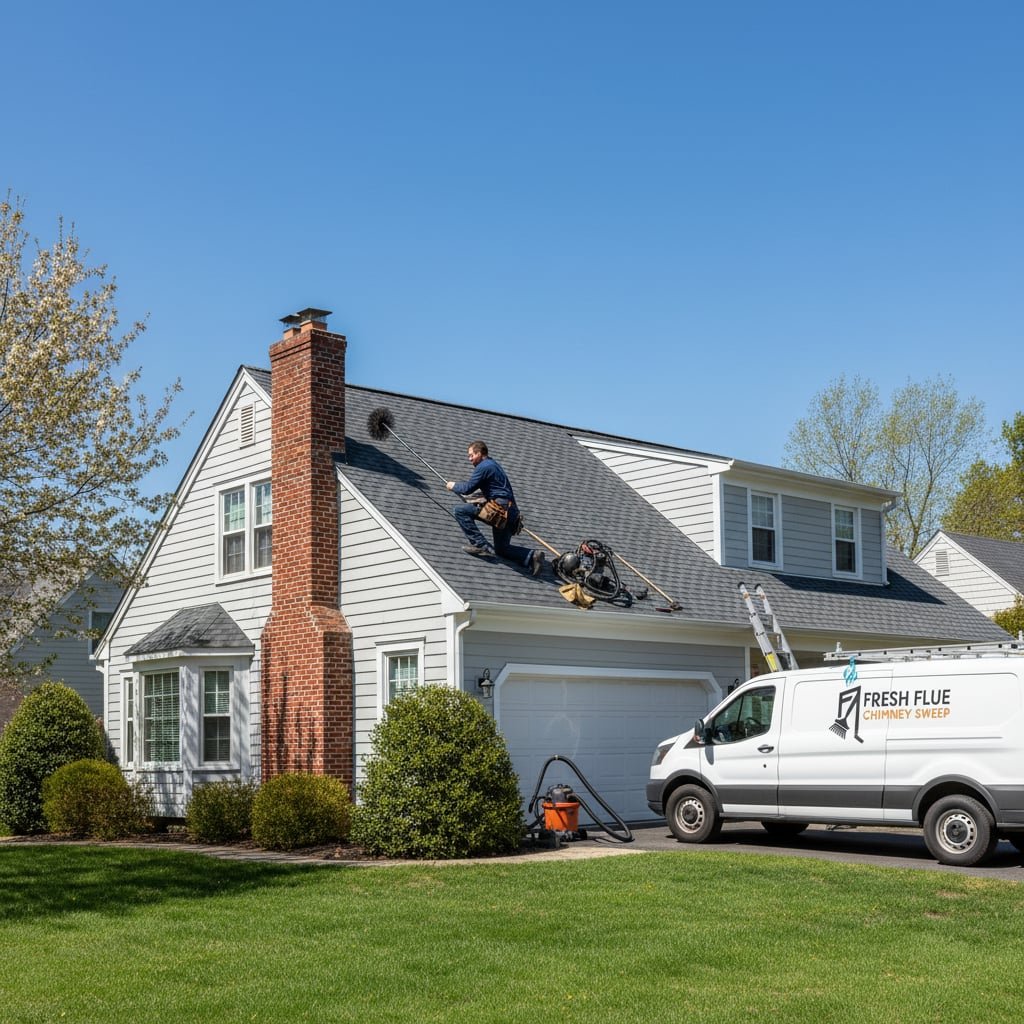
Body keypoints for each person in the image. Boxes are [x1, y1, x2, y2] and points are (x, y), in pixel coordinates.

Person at [446, 441, 545, 575]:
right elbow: (496, 490)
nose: (470, 459)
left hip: (499, 510)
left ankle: (480, 545)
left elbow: (467, 488)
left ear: (479, 453)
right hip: (511, 512)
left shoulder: (483, 467)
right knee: (502, 549)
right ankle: (532, 556)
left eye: (471, 455)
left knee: (460, 511)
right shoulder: (494, 465)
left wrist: (453, 485)